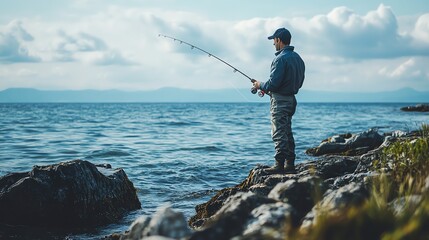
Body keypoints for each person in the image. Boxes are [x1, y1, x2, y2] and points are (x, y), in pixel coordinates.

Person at [252, 27, 305, 174]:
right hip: (291, 100)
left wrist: (259, 85)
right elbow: (299, 82)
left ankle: (279, 164)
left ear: (279, 40)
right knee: (287, 131)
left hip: (280, 101)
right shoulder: (298, 58)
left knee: (279, 132)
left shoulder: (279, 59)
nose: (273, 43)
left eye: (274, 40)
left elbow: (272, 84)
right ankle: (290, 164)